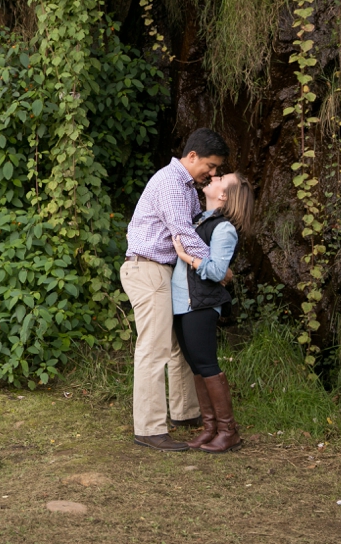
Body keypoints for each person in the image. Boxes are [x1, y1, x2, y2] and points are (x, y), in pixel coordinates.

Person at [121, 128, 230, 452]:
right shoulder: (169, 181)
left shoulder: (187, 187)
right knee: (153, 349)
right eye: (210, 166)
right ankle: (149, 428)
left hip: (166, 272)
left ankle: (185, 413)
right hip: (148, 268)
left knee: (176, 348)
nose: (211, 174)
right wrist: (215, 266)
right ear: (192, 156)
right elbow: (182, 231)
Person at [172, 171, 255, 453]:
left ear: (224, 196)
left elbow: (218, 271)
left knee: (207, 365)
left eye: (222, 178)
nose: (214, 177)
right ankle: (210, 428)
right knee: (197, 366)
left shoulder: (224, 229)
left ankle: (228, 431)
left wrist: (186, 257)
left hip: (202, 304)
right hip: (184, 303)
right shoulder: (198, 222)